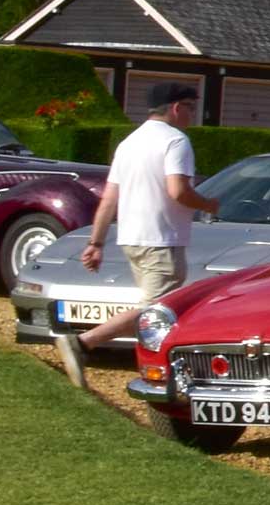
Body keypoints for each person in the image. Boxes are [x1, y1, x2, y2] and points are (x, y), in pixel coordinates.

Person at [52, 84, 220, 387]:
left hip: (132, 238)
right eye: (191, 107)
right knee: (156, 309)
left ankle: (154, 362)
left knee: (155, 306)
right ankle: (84, 342)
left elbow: (109, 199)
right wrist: (207, 203)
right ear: (176, 108)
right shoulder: (176, 141)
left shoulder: (129, 143)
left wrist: (96, 242)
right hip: (161, 239)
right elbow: (178, 190)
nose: (193, 115)